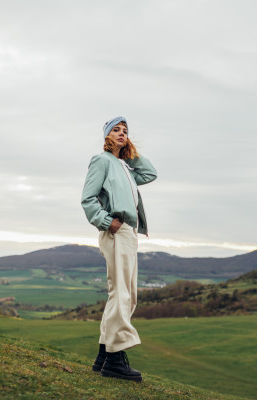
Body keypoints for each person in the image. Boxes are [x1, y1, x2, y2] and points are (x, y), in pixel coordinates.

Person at [81, 116, 157, 382]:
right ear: (106, 135)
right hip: (116, 229)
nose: (122, 133)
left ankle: (104, 354)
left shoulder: (124, 166)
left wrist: (129, 152)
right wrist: (106, 222)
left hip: (129, 232)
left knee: (126, 295)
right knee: (122, 294)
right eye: (116, 130)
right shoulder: (102, 161)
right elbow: (88, 199)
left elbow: (150, 173)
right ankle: (115, 358)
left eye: (125, 131)